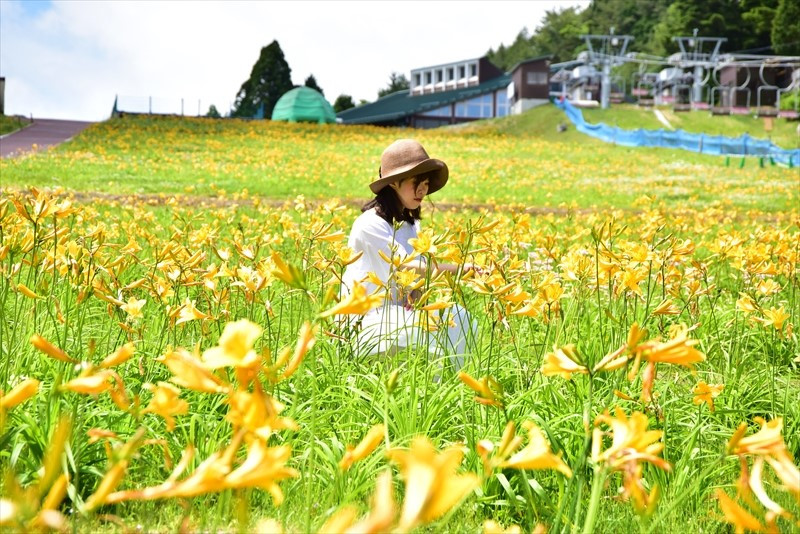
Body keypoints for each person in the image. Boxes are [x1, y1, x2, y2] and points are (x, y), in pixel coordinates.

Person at [340, 139, 477, 366]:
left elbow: (415, 277)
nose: (423, 190)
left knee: (460, 318)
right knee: (423, 328)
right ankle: (430, 391)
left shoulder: (410, 224)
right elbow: (406, 267)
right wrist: (461, 270)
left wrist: (416, 292)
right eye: (416, 182)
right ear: (393, 183)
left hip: (396, 314)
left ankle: (450, 385)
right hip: (363, 320)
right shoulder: (370, 224)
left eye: (425, 183)